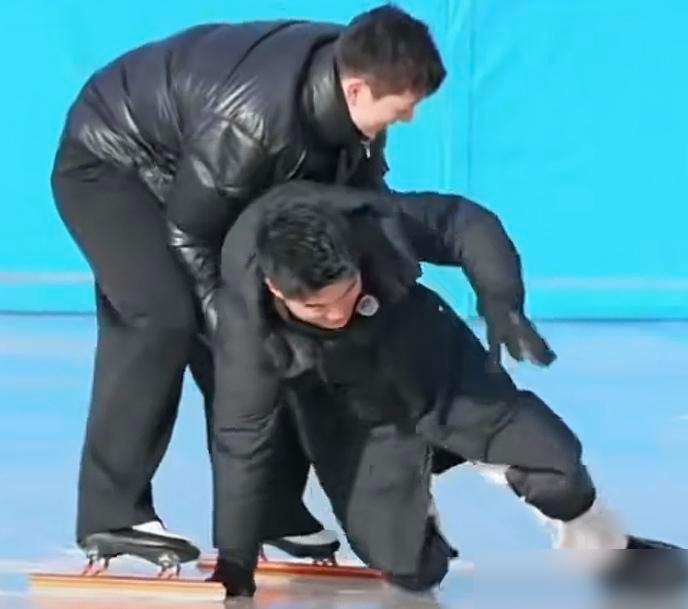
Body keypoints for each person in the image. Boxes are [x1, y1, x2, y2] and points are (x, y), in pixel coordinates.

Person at [50, 5, 446, 565]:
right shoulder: (256, 123)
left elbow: (362, 201)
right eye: (402, 109)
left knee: (274, 328)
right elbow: (190, 233)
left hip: (196, 170)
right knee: (162, 317)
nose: (409, 119)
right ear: (357, 90)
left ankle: (267, 506)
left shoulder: (351, 92)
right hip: (112, 163)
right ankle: (111, 513)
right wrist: (232, 327)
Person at [207, 181, 688, 597]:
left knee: (558, 469)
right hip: (357, 420)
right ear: (276, 289)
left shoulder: (371, 221)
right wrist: (235, 559)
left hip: (438, 369)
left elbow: (462, 222)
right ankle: (416, 521)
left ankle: (607, 549)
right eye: (317, 308)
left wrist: (501, 300)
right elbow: (241, 444)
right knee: (410, 570)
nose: (338, 314)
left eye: (347, 293)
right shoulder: (246, 334)